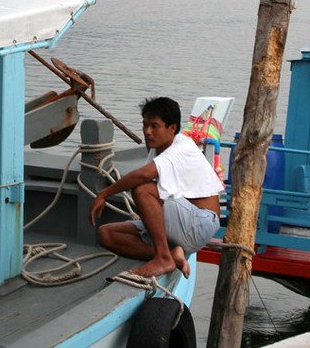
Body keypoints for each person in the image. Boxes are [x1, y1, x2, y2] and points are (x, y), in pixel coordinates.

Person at [89, 96, 224, 278]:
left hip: (199, 223)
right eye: (145, 125)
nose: (147, 132)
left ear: (172, 129)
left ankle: (163, 258)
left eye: (154, 126)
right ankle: (171, 255)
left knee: (143, 188)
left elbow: (143, 175)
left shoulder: (181, 146)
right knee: (106, 234)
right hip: (179, 221)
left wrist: (104, 194)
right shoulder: (157, 147)